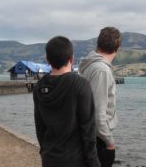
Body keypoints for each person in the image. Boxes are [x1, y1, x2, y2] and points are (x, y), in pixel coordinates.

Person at [33, 36, 100, 167]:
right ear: (72, 59)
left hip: (50, 158)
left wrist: (45, 150)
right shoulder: (80, 85)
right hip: (76, 160)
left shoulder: (38, 87)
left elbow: (39, 126)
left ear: (48, 59)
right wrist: (94, 163)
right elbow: (88, 129)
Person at [79, 27, 122, 167]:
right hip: (99, 140)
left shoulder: (92, 65)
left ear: (98, 43)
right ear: (117, 48)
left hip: (91, 136)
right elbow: (98, 114)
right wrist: (109, 141)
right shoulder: (101, 70)